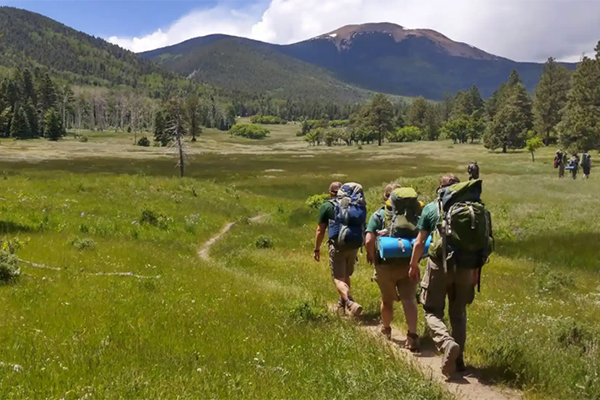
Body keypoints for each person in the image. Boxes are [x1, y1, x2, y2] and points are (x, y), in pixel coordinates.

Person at [408, 174, 487, 378]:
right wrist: (475, 273)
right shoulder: (477, 209)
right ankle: (459, 361)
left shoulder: (433, 208)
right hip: (467, 267)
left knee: (432, 310)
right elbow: (482, 245)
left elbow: (419, 242)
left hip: (439, 266)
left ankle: (446, 343)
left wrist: (413, 264)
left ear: (440, 188)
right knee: (459, 313)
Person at [365, 183, 420, 351]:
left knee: (387, 301)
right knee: (409, 300)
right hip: (408, 264)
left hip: (385, 266)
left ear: (386, 197)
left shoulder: (379, 215)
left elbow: (368, 240)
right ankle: (412, 336)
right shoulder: (413, 216)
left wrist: (371, 256)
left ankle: (386, 329)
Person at [314, 182, 363, 317]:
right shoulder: (353, 205)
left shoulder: (327, 206)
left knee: (338, 278)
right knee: (346, 275)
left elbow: (320, 230)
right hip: (353, 245)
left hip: (337, 246)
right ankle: (341, 305)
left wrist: (316, 249)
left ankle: (350, 302)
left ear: (330, 193)